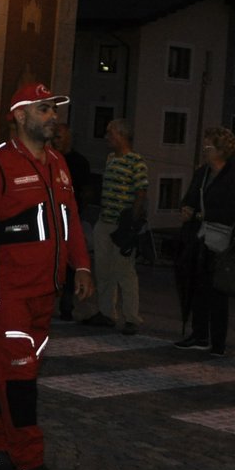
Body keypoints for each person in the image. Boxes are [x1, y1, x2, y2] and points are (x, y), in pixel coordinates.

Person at [0, 83, 93, 470]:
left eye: (54, 109)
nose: (53, 117)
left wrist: (83, 265)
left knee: (15, 373)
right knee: (21, 380)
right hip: (8, 296)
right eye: (44, 109)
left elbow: (70, 219)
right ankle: (30, 463)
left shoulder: (58, 163)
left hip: (46, 294)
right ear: (20, 115)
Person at [73, 118, 148, 334]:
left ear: (122, 135)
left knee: (125, 272)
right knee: (103, 270)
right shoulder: (110, 159)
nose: (107, 137)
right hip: (105, 222)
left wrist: (130, 225)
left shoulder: (137, 162)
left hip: (121, 225)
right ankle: (107, 313)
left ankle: (132, 317)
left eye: (110, 133)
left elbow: (141, 193)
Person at [175, 127, 235, 353]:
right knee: (197, 286)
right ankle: (199, 334)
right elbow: (190, 197)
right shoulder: (202, 172)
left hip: (219, 241)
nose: (205, 150)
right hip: (198, 237)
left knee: (217, 291)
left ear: (221, 150)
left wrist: (200, 214)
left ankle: (217, 341)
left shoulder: (234, 177)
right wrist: (187, 208)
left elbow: (233, 210)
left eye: (209, 146)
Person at [52, 120, 93, 321]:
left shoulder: (79, 162)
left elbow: (86, 191)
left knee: (70, 265)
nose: (55, 141)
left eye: (59, 137)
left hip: (70, 217)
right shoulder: (49, 159)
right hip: (51, 220)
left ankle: (66, 304)